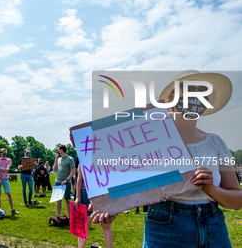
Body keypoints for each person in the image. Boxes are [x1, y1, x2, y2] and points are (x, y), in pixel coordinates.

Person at [91, 71, 242, 247]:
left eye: (202, 93)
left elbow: (237, 200)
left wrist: (211, 189)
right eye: (188, 92)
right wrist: (110, 207)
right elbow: (128, 184)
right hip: (165, 230)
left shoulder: (216, 142)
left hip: (214, 230)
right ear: (172, 97)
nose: (195, 99)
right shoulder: (150, 139)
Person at [75, 163, 113, 248]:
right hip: (85, 194)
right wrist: (77, 197)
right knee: (84, 225)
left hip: (102, 193)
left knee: (106, 223)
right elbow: (79, 179)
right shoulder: (82, 159)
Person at [53, 144, 75, 218]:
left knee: (67, 200)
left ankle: (70, 218)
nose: (57, 151)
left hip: (66, 183)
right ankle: (58, 216)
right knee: (58, 200)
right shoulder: (58, 159)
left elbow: (73, 171)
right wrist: (56, 159)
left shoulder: (70, 159)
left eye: (58, 149)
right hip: (58, 182)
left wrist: (66, 180)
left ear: (61, 150)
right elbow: (54, 169)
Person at [0, 148, 19, 215]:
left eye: (6, 152)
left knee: (9, 194)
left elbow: (7, 169)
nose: (5, 154)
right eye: (3, 152)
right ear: (0, 153)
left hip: (5, 178)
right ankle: (0, 209)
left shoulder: (9, 160)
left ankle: (12, 209)